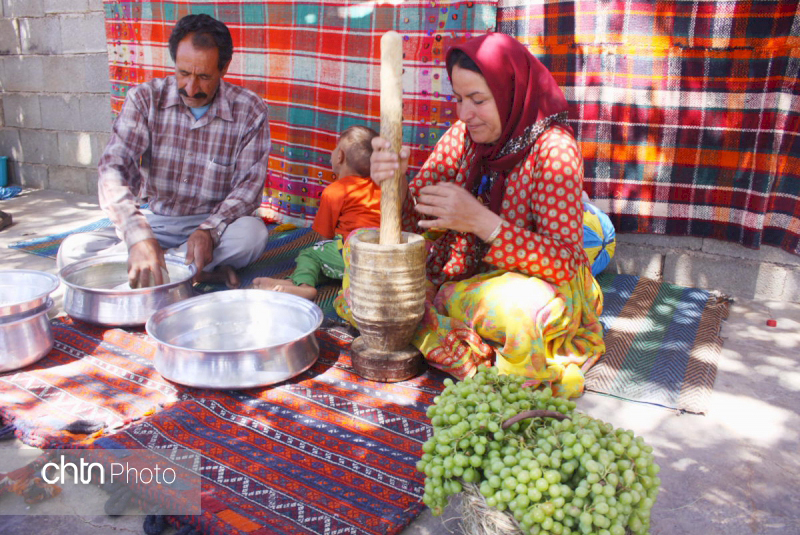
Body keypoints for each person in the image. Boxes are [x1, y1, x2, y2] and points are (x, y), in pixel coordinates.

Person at [335, 33, 605, 398]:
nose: (464, 114)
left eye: (478, 100)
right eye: (459, 99)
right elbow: (413, 225)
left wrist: (481, 222)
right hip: (456, 279)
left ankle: (424, 326)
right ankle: (441, 327)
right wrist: (395, 182)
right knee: (360, 248)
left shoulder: (554, 150)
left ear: (511, 93)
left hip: (527, 286)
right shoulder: (461, 136)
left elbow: (566, 262)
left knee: (518, 309)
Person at [56, 14, 270, 289]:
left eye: (204, 77)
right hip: (157, 223)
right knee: (72, 251)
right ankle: (191, 270)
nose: (191, 88)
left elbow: (248, 189)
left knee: (252, 235)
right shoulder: (145, 99)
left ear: (224, 68)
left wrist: (209, 230)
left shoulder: (250, 110)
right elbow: (114, 168)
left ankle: (156, 270)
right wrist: (139, 236)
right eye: (184, 73)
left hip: (214, 227)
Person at [252, 125, 381, 299]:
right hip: (379, 260)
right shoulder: (380, 188)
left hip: (352, 255)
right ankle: (291, 283)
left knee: (311, 254)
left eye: (335, 148)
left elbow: (324, 236)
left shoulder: (336, 191)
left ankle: (304, 286)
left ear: (340, 156)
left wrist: (321, 250)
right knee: (326, 259)